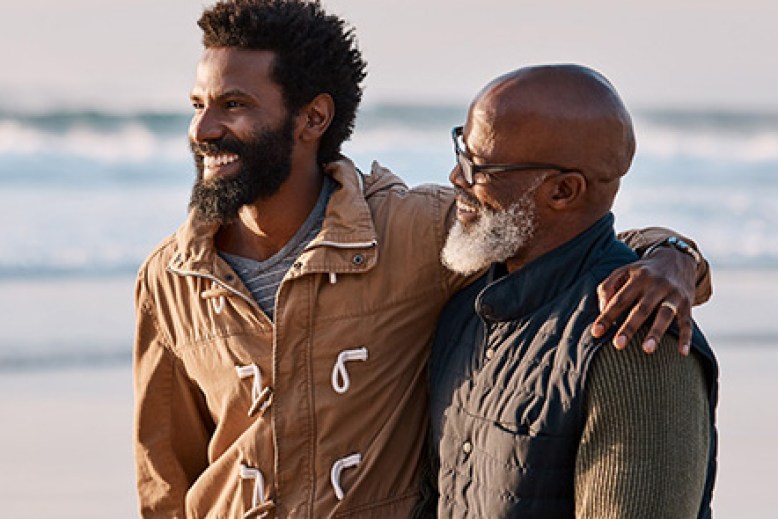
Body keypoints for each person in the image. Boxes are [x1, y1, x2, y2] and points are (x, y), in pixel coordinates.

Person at [133, 1, 712, 517]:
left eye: (233, 105)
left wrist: (673, 257)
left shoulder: (416, 234)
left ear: (313, 118)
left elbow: (571, 240)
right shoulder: (170, 278)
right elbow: (165, 477)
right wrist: (673, 256)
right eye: (199, 104)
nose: (203, 128)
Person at [428, 64, 718, 518]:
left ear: (563, 191)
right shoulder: (469, 305)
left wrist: (676, 254)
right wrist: (674, 250)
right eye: (460, 148)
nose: (456, 177)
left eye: (478, 165)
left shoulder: (636, 338)